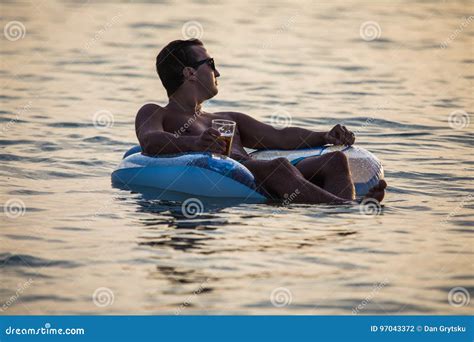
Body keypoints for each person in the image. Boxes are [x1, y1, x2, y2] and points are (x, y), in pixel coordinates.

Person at [135, 39, 386, 204]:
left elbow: (278, 136)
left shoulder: (227, 118)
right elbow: (150, 140)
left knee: (334, 160)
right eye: (211, 64)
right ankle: (348, 208)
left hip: (257, 173)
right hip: (238, 177)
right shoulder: (156, 113)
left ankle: (339, 218)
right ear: (189, 73)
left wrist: (325, 136)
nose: (218, 72)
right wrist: (196, 142)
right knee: (277, 167)